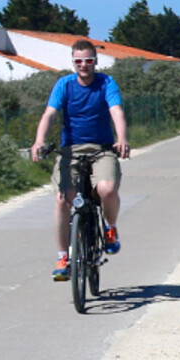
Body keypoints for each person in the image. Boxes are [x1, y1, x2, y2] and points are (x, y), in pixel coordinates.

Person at [31, 40, 131, 282]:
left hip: (102, 148)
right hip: (71, 150)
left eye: (88, 61)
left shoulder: (106, 83)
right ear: (73, 62)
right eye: (78, 62)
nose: (83, 65)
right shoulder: (64, 85)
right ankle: (63, 256)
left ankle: (110, 229)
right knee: (62, 198)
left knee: (106, 189)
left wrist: (122, 138)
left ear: (95, 61)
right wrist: (39, 140)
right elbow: (50, 114)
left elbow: (116, 111)